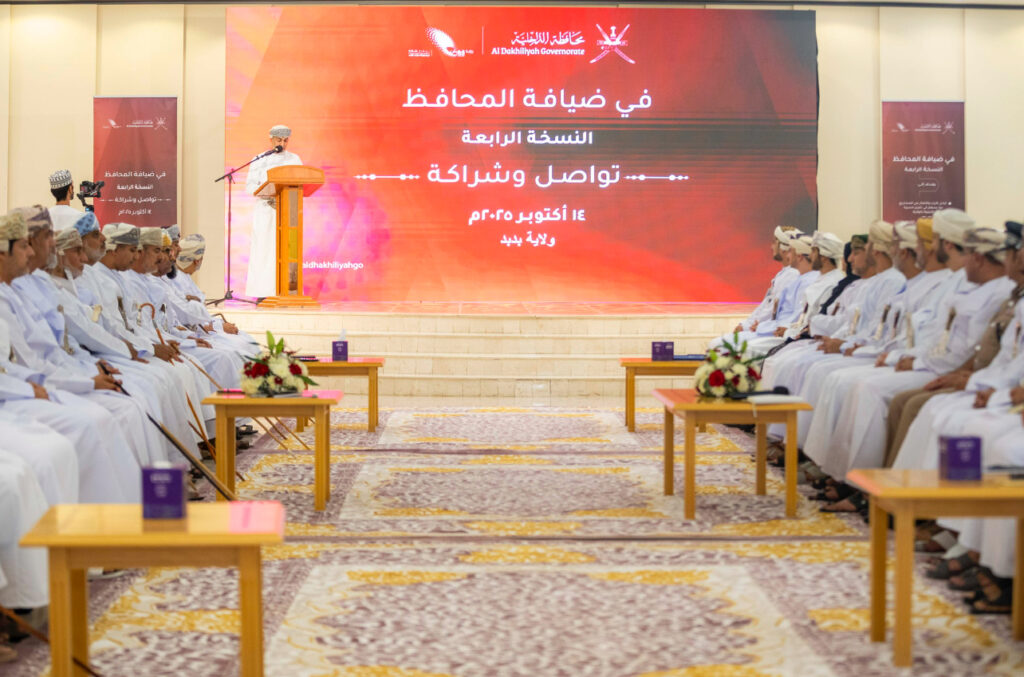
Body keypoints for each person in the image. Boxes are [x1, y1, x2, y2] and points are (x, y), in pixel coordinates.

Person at [244, 124, 302, 299]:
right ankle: (262, 293)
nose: (282, 144)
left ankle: (288, 291)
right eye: (279, 140)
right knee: (264, 250)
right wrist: (268, 195)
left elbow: (301, 183)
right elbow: (250, 186)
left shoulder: (294, 159)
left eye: (285, 140)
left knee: (288, 251)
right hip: (265, 210)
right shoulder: (260, 159)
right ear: (271, 139)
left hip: (288, 211)